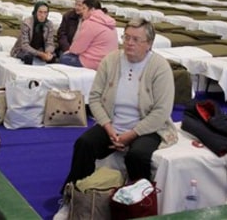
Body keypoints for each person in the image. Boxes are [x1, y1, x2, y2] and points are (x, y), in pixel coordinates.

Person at [54, 18, 178, 220]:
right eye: (126, 37)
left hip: (147, 128)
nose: (129, 43)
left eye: (136, 39)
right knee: (84, 144)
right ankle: (73, 198)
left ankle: (138, 206)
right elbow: (94, 98)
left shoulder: (159, 67)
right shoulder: (110, 60)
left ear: (149, 44)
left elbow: (162, 111)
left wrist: (131, 135)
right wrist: (108, 126)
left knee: (137, 155)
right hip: (112, 123)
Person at [58, 0, 118, 70]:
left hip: (94, 62)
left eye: (84, 8)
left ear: (92, 9)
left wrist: (69, 51)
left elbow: (77, 48)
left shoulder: (90, 22)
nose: (82, 11)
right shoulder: (109, 22)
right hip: (109, 61)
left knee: (64, 58)